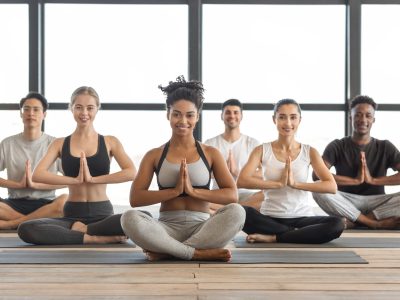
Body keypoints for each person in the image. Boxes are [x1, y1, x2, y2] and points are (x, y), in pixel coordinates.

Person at [121, 76, 245, 261]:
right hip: (166, 228)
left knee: (238, 212)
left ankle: (168, 251)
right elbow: (136, 198)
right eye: (177, 114)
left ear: (197, 116)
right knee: (128, 218)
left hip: (203, 228)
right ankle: (194, 253)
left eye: (190, 115)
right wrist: (174, 191)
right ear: (168, 114)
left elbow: (231, 195)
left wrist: (193, 191)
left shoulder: (211, 153)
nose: (183, 120)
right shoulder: (154, 155)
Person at [17, 86, 135, 244]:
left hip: (103, 214)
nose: (84, 113)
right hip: (72, 215)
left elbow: (131, 172)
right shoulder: (59, 143)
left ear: (97, 109)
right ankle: (92, 238)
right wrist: (74, 180)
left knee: (140, 218)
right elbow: (38, 174)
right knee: (26, 228)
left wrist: (93, 179)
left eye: (90, 108)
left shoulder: (109, 141)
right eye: (78, 107)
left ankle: (86, 231)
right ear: (71, 108)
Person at [237, 99, 344, 244]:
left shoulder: (309, 152)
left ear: (300, 120)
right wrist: (278, 184)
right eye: (282, 117)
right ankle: (299, 235)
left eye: (293, 117)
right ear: (274, 119)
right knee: (241, 212)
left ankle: (276, 237)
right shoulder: (261, 150)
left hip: (302, 218)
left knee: (337, 224)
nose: (288, 123)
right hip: (270, 218)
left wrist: (295, 184)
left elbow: (331, 186)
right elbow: (242, 181)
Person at [312, 95, 400, 229]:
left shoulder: (385, 146)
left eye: (368, 115)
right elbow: (316, 175)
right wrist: (355, 181)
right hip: (346, 201)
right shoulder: (337, 145)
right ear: (350, 118)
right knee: (318, 188)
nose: (363, 120)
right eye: (358, 115)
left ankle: (357, 221)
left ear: (373, 120)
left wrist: (373, 180)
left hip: (377, 203)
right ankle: (373, 223)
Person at [0, 92, 67, 230]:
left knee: (65, 200)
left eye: (36, 109)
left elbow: (70, 179)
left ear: (44, 114)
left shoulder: (55, 143)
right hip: (14, 203)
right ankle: (34, 221)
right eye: (26, 109)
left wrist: (37, 185)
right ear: (21, 114)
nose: (31, 113)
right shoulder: (7, 143)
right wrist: (18, 185)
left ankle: (13, 223)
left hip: (46, 203)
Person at [204, 99, 263, 211]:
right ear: (221, 116)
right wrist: (222, 171)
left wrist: (238, 172)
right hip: (220, 194)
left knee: (267, 196)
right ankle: (238, 209)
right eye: (228, 112)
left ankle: (228, 209)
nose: (232, 116)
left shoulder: (253, 143)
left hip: (246, 195)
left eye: (236, 112)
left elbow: (264, 174)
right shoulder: (210, 143)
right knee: (196, 200)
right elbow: (203, 174)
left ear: (241, 116)